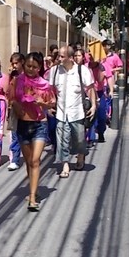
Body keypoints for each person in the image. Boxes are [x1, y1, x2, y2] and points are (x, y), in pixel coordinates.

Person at [12, 51, 55, 211]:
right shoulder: (18, 81)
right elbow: (11, 98)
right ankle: (33, 189)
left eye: (34, 67)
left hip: (39, 124)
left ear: (39, 68)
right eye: (28, 66)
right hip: (23, 125)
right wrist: (16, 106)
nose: (31, 69)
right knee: (29, 161)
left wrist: (42, 103)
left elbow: (52, 103)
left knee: (36, 160)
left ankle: (32, 198)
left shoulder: (45, 84)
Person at [49, 46, 95, 178]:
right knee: (62, 141)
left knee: (79, 140)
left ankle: (80, 156)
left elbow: (90, 88)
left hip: (77, 112)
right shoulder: (55, 71)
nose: (59, 59)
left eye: (62, 56)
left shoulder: (82, 70)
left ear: (70, 58)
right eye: (59, 56)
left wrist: (93, 106)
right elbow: (50, 89)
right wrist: (50, 105)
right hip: (61, 113)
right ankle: (65, 165)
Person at [6, 52, 25, 171]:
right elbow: (6, 90)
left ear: (22, 62)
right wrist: (9, 76)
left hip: (26, 108)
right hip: (13, 108)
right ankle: (15, 160)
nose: (14, 66)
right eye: (12, 63)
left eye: (16, 63)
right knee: (14, 135)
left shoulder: (27, 75)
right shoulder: (13, 76)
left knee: (27, 135)